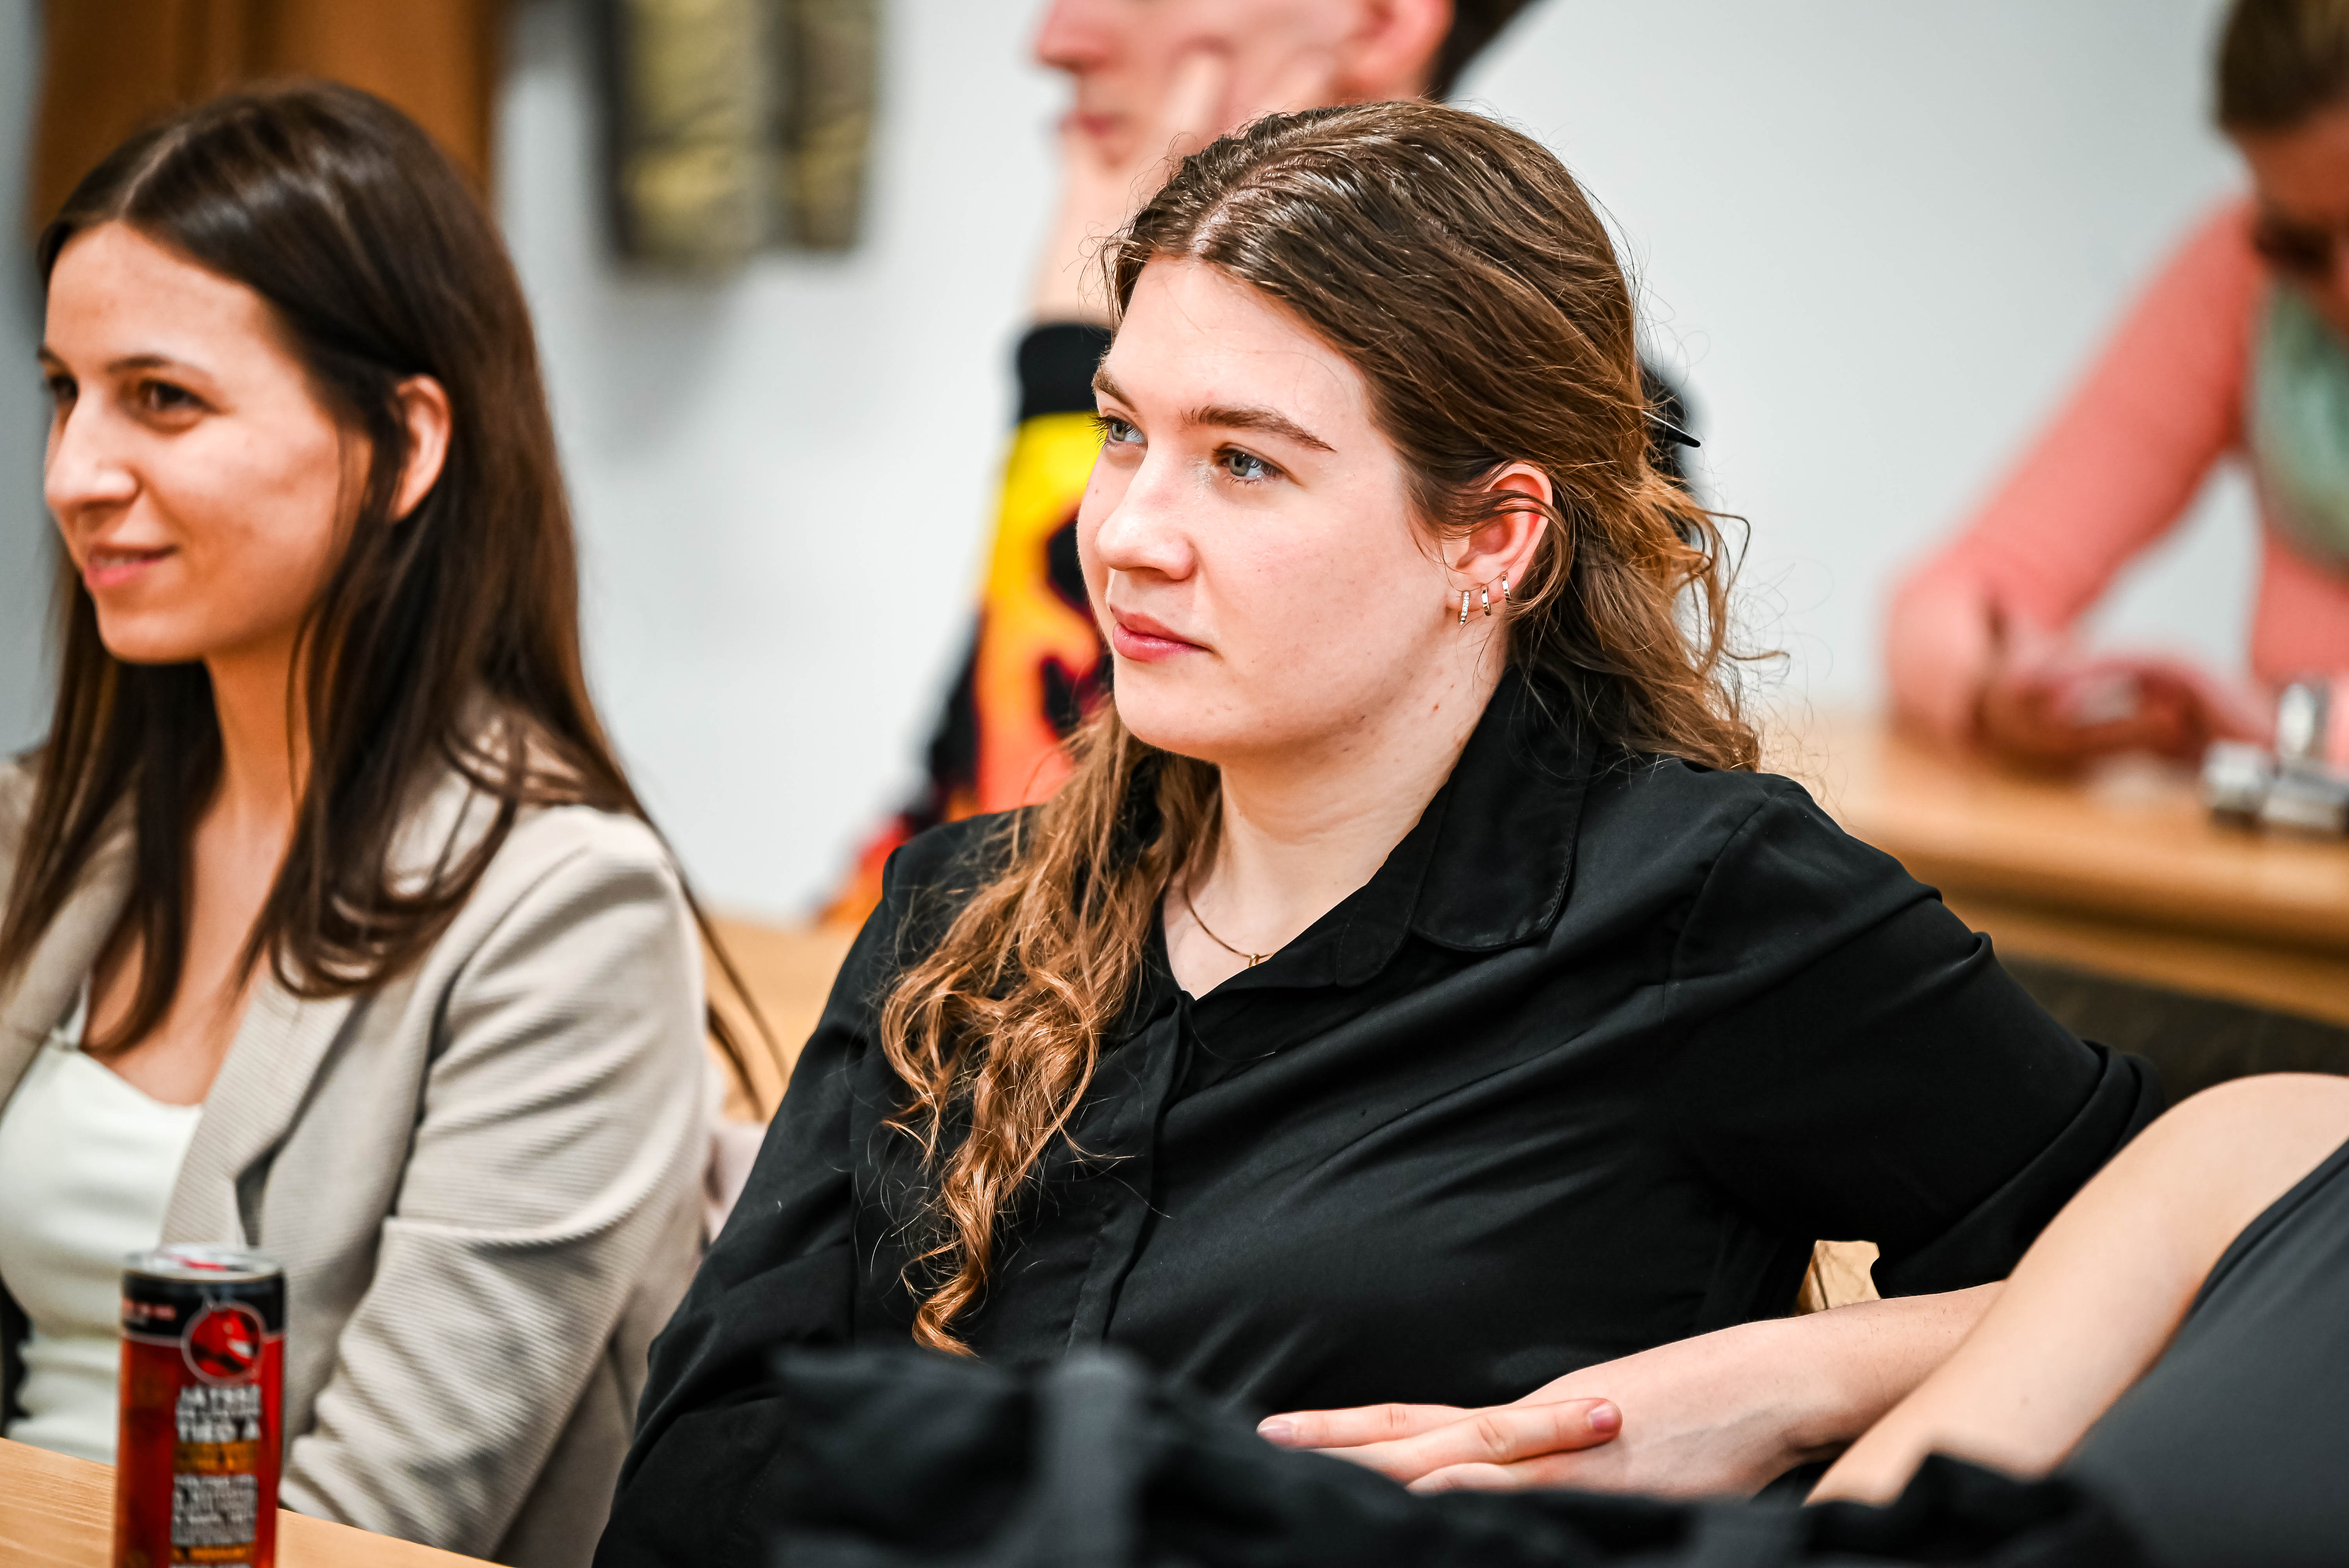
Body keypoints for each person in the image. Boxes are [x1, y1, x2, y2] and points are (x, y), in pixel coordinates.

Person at [594, 102, 2159, 1565]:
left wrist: (1776, 1384)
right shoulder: (962, 911)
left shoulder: (1702, 906)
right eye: (1123, 430)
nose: (1125, 533)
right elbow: (684, 1484)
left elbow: (2221, 1263)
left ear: (1492, 537)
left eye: (1244, 461)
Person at [0, 84, 724, 1568]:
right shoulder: (40, 832)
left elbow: (374, 1528)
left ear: (402, 442)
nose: (75, 474)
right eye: (65, 391)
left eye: (163, 399)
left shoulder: (565, 912)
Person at [823, 0, 1709, 919]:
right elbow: (949, 878)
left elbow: (1033, 840)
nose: (1056, 41)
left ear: (1380, 23)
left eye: (1242, 461)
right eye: (1119, 429)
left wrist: (1061, 377)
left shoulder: (1572, 435)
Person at [1888, 0, 2349, 768]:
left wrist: (2290, 730)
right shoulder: (2246, 282)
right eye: (2300, 244)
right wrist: (2001, 688)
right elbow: (1954, 594)